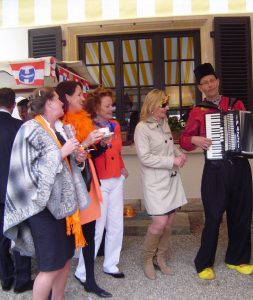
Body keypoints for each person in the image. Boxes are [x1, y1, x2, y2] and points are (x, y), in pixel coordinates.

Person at [4, 87, 90, 300]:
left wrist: (78, 158)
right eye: (58, 100)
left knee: (65, 259)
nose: (62, 102)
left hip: (63, 205)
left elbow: (66, 166)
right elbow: (27, 169)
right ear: (49, 103)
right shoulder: (30, 128)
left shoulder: (58, 128)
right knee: (50, 265)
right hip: (41, 208)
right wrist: (62, 152)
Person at [179, 63, 253, 280]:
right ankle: (204, 263)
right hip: (214, 169)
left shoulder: (236, 103)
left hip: (239, 166)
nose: (209, 85)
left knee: (241, 214)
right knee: (212, 217)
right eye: (204, 83)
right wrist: (194, 139)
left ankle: (237, 259)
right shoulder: (197, 111)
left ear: (218, 81)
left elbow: (247, 129)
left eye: (212, 80)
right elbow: (183, 140)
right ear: (200, 87)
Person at [56, 81, 112, 298]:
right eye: (79, 94)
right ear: (67, 97)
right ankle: (56, 287)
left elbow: (87, 156)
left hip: (87, 182)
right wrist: (88, 141)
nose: (83, 97)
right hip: (69, 188)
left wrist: (101, 144)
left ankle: (90, 280)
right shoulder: (59, 125)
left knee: (89, 232)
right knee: (66, 239)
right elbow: (67, 159)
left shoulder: (84, 119)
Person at [134, 89, 187, 280]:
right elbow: (145, 157)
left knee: (170, 221)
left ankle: (160, 257)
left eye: (167, 104)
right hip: (155, 182)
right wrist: (171, 161)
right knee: (159, 222)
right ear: (153, 105)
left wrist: (179, 152)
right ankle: (148, 259)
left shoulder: (163, 122)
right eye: (163, 104)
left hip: (171, 179)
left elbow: (168, 144)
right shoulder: (142, 127)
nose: (167, 107)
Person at [76, 87, 128, 281]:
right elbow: (83, 156)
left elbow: (117, 151)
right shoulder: (87, 127)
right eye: (107, 105)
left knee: (116, 224)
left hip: (116, 179)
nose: (111, 108)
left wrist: (122, 168)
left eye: (111, 105)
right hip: (99, 182)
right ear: (96, 107)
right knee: (96, 227)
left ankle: (111, 263)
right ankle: (81, 270)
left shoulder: (114, 124)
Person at [0, 88, 33, 293]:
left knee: (0, 237)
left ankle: (5, 277)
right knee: (21, 233)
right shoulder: (20, 127)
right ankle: (21, 280)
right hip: (17, 189)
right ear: (13, 104)